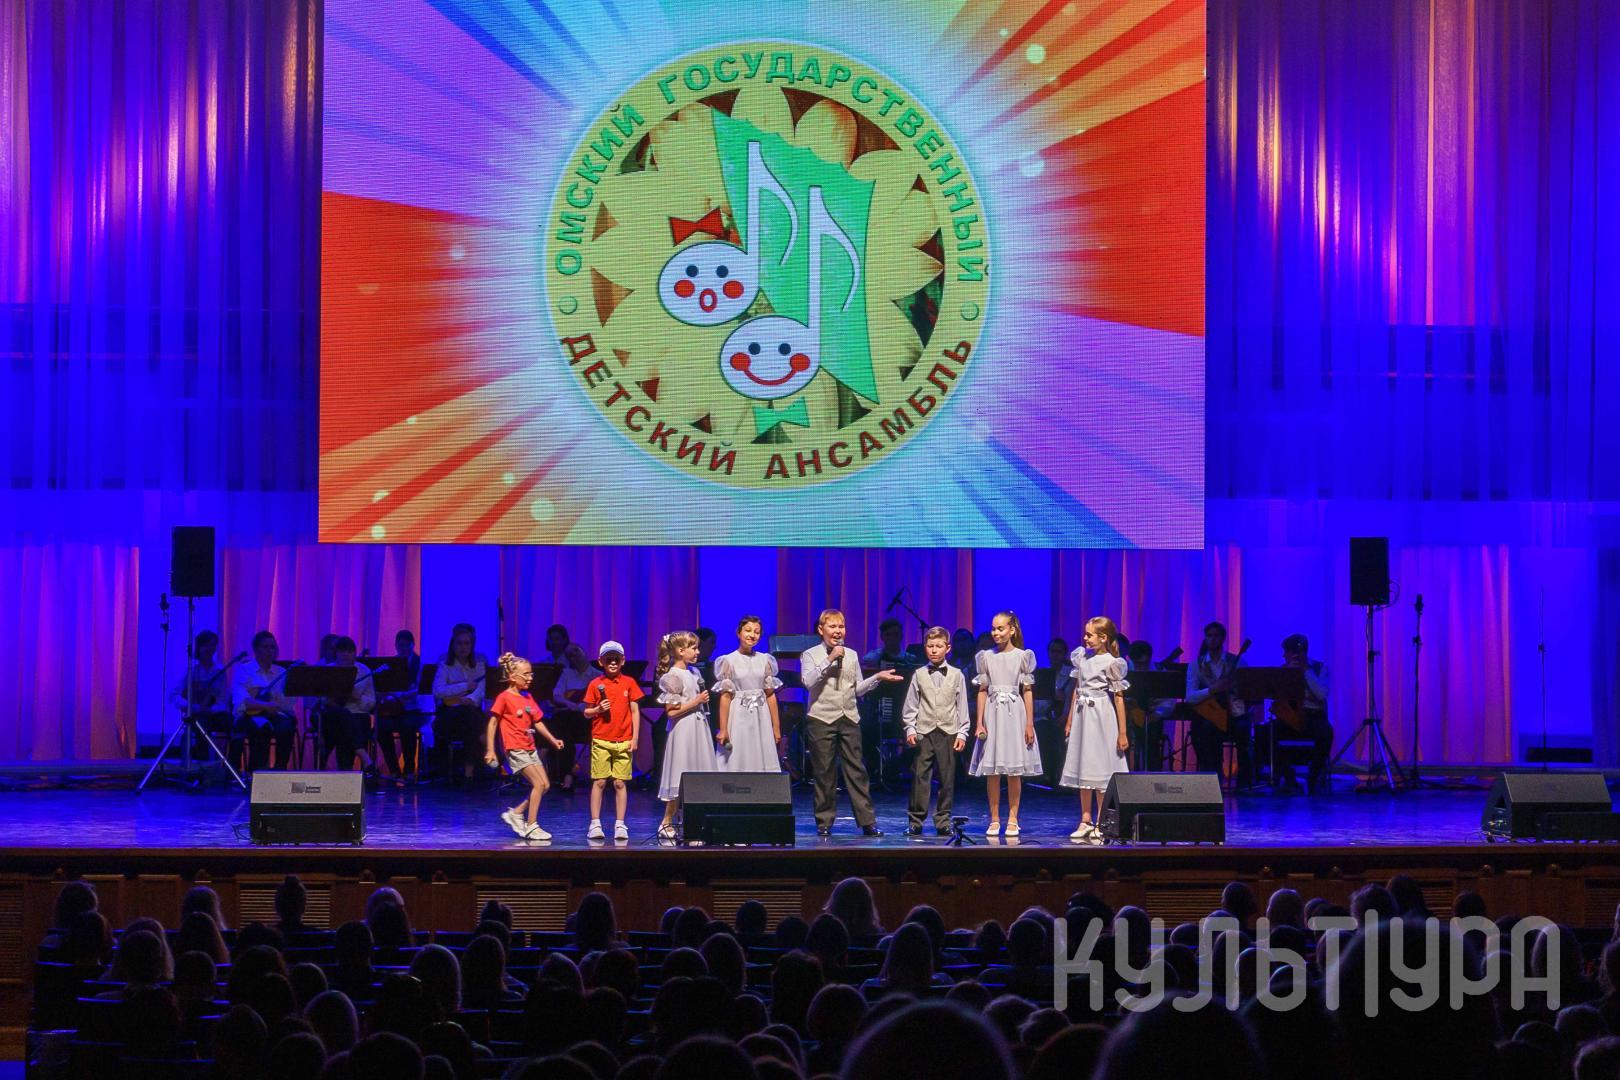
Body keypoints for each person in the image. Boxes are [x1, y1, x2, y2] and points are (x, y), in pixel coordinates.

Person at [800, 609, 903, 837]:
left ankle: (867, 822)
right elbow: (808, 682)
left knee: (857, 770)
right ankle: (824, 822)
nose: (838, 631)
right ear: (821, 629)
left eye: (841, 626)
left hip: (849, 717)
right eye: (833, 626)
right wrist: (829, 659)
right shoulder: (810, 654)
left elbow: (857, 689)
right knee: (824, 772)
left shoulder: (852, 655)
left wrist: (877, 677)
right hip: (821, 718)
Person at [971, 611, 1042, 837]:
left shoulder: (1022, 656)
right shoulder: (986, 657)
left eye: (1000, 628)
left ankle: (1013, 818)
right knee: (992, 769)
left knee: (1013, 770)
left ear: (1012, 630)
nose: (995, 633)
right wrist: (979, 722)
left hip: (1014, 714)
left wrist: (1029, 724)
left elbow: (1027, 691)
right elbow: (982, 691)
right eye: (993, 628)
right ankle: (994, 819)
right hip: (993, 713)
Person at [1061, 617, 1131, 843]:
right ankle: (1085, 819)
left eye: (1089, 635)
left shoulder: (1112, 662)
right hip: (1082, 716)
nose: (1085, 638)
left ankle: (1102, 821)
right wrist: (1070, 720)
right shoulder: (1082, 658)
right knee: (1084, 765)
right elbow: (1076, 690)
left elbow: (1118, 698)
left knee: (1100, 767)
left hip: (1101, 715)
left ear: (1103, 638)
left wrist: (1122, 732)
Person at [485, 652, 564, 841]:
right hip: (515, 748)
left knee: (545, 785)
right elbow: (493, 723)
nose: (530, 678)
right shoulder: (504, 697)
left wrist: (553, 739)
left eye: (531, 674)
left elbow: (538, 721)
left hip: (529, 747)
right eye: (526, 674)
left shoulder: (527, 697)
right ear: (513, 677)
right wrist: (491, 749)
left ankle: (516, 813)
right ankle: (531, 825)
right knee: (538, 784)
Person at [900, 626, 969, 837]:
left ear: (947, 648)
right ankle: (915, 821)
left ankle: (943, 821)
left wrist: (962, 732)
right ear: (925, 647)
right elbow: (911, 705)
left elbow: (962, 706)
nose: (934, 650)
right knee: (920, 776)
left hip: (948, 731)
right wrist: (910, 728)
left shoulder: (957, 675)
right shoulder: (919, 674)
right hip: (924, 730)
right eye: (930, 646)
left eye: (938, 646)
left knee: (947, 778)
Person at [655, 632, 718, 840]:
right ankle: (666, 821)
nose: (698, 652)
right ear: (681, 651)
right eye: (694, 648)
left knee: (698, 771)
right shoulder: (673, 676)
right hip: (683, 729)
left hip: (698, 726)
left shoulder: (694, 673)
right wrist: (695, 701)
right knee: (680, 772)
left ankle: (694, 822)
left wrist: (699, 703)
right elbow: (671, 712)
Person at [583, 640, 642, 841]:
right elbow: (586, 712)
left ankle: (620, 824)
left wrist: (635, 737)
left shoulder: (629, 683)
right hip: (601, 739)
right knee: (600, 781)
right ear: (601, 661)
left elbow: (635, 711)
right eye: (609, 659)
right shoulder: (595, 684)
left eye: (616, 659)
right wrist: (598, 709)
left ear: (623, 660)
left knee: (619, 783)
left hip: (623, 741)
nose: (613, 662)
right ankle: (595, 823)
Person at [1187, 621, 1252, 787]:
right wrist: (1212, 690)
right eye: (1209, 636)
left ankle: (1244, 782)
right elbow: (1190, 697)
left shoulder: (1237, 662)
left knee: (1244, 729)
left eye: (1216, 636)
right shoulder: (1196, 665)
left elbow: (1248, 691)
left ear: (1223, 638)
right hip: (1209, 715)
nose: (1213, 639)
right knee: (1202, 729)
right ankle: (1212, 777)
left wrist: (1233, 688)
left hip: (1233, 714)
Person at [715, 616, 783, 774]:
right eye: (748, 630)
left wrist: (776, 727)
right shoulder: (729, 660)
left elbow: (770, 695)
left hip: (761, 715)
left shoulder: (765, 660)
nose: (752, 635)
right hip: (738, 714)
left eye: (757, 632)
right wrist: (723, 729)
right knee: (739, 754)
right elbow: (725, 697)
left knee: (760, 753)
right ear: (739, 633)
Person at [1271, 633, 1333, 793]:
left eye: (1286, 652)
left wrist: (1305, 672)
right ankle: (1288, 778)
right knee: (1268, 733)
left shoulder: (1320, 669)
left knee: (1326, 733)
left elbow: (1321, 695)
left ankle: (1313, 778)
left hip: (1313, 715)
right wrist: (1289, 675)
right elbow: (1278, 696)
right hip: (1290, 716)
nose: (1284, 656)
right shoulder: (1284, 670)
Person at [231, 630, 296, 772]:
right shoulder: (244, 670)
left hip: (274, 714)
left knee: (287, 726)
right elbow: (242, 701)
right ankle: (257, 771)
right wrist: (266, 705)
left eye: (272, 647)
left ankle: (280, 769)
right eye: (265, 647)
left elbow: (288, 703)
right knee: (261, 727)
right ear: (255, 649)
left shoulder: (281, 672)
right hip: (249, 715)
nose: (269, 651)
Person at [432, 623, 488, 783]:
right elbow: (438, 691)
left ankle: (468, 774)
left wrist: (469, 699)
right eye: (459, 643)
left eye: (467, 643)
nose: (463, 647)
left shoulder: (479, 666)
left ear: (472, 645)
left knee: (470, 720)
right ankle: (488, 744)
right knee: (471, 719)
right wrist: (465, 686)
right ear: (453, 645)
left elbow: (481, 690)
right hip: (448, 715)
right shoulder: (445, 666)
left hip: (470, 713)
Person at [376, 629, 427, 781]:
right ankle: (393, 769)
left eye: (406, 645)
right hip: (393, 708)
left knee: (408, 727)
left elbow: (422, 688)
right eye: (400, 645)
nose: (403, 649)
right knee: (381, 727)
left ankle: (409, 769)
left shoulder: (420, 663)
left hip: (413, 708)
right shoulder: (391, 664)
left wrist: (406, 694)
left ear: (413, 645)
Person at [321, 636, 374, 772]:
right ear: (336, 653)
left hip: (358, 713)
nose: (345, 654)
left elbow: (364, 698)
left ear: (355, 654)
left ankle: (345, 769)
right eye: (342, 651)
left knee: (344, 725)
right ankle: (364, 758)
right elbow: (322, 699)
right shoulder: (327, 670)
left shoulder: (364, 671)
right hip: (332, 714)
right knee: (342, 716)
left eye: (349, 651)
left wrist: (349, 694)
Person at [547, 642, 593, 791]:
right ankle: (566, 774)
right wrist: (571, 704)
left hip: (588, 720)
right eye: (570, 655)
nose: (574, 656)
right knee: (561, 724)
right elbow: (556, 695)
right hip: (568, 718)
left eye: (576, 651)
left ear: (583, 651)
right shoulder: (567, 674)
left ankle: (565, 775)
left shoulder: (597, 675)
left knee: (563, 726)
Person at [1124, 640, 1175, 772]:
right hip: (1129, 716)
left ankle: (1152, 773)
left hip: (1152, 716)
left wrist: (1157, 714)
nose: (1141, 668)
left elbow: (1169, 701)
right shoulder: (1125, 670)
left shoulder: (1159, 671)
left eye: (1144, 664)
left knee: (1151, 739)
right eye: (1138, 664)